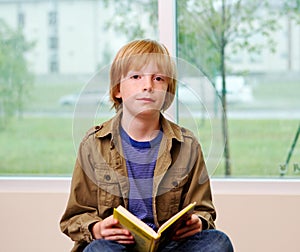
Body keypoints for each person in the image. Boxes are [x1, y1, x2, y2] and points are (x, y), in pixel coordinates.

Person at [60, 39, 233, 252]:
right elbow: (74, 217)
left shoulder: (187, 146)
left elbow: (204, 210)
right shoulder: (94, 144)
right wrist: (97, 229)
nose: (148, 86)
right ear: (117, 90)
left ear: (168, 91)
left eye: (158, 78)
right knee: (99, 250)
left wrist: (198, 222)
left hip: (170, 247)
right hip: (117, 247)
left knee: (218, 242)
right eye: (136, 77)